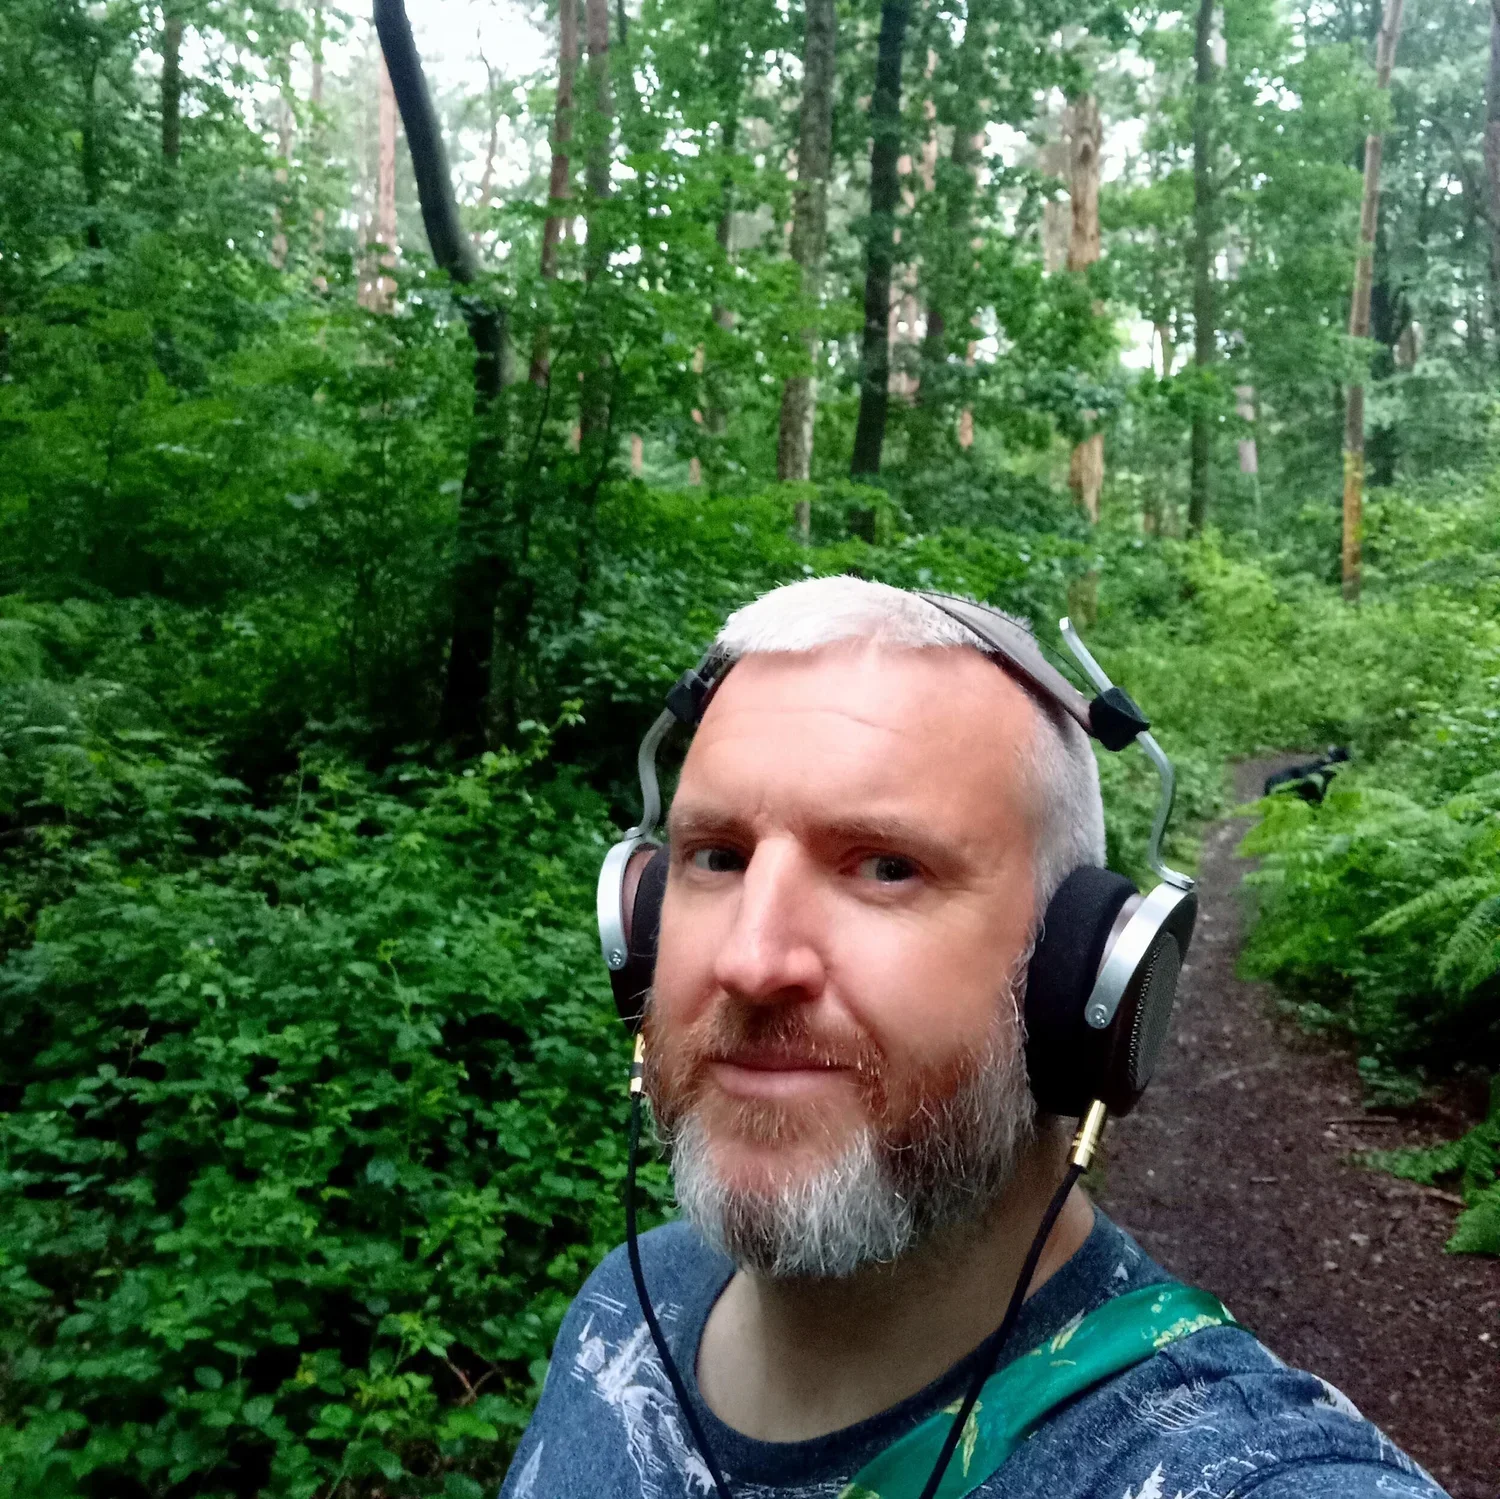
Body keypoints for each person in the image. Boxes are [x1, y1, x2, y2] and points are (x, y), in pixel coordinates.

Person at [500, 577, 1447, 1499]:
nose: (752, 961)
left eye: (884, 866)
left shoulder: (1232, 1466)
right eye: (717, 857)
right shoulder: (629, 1293)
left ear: (1080, 973)